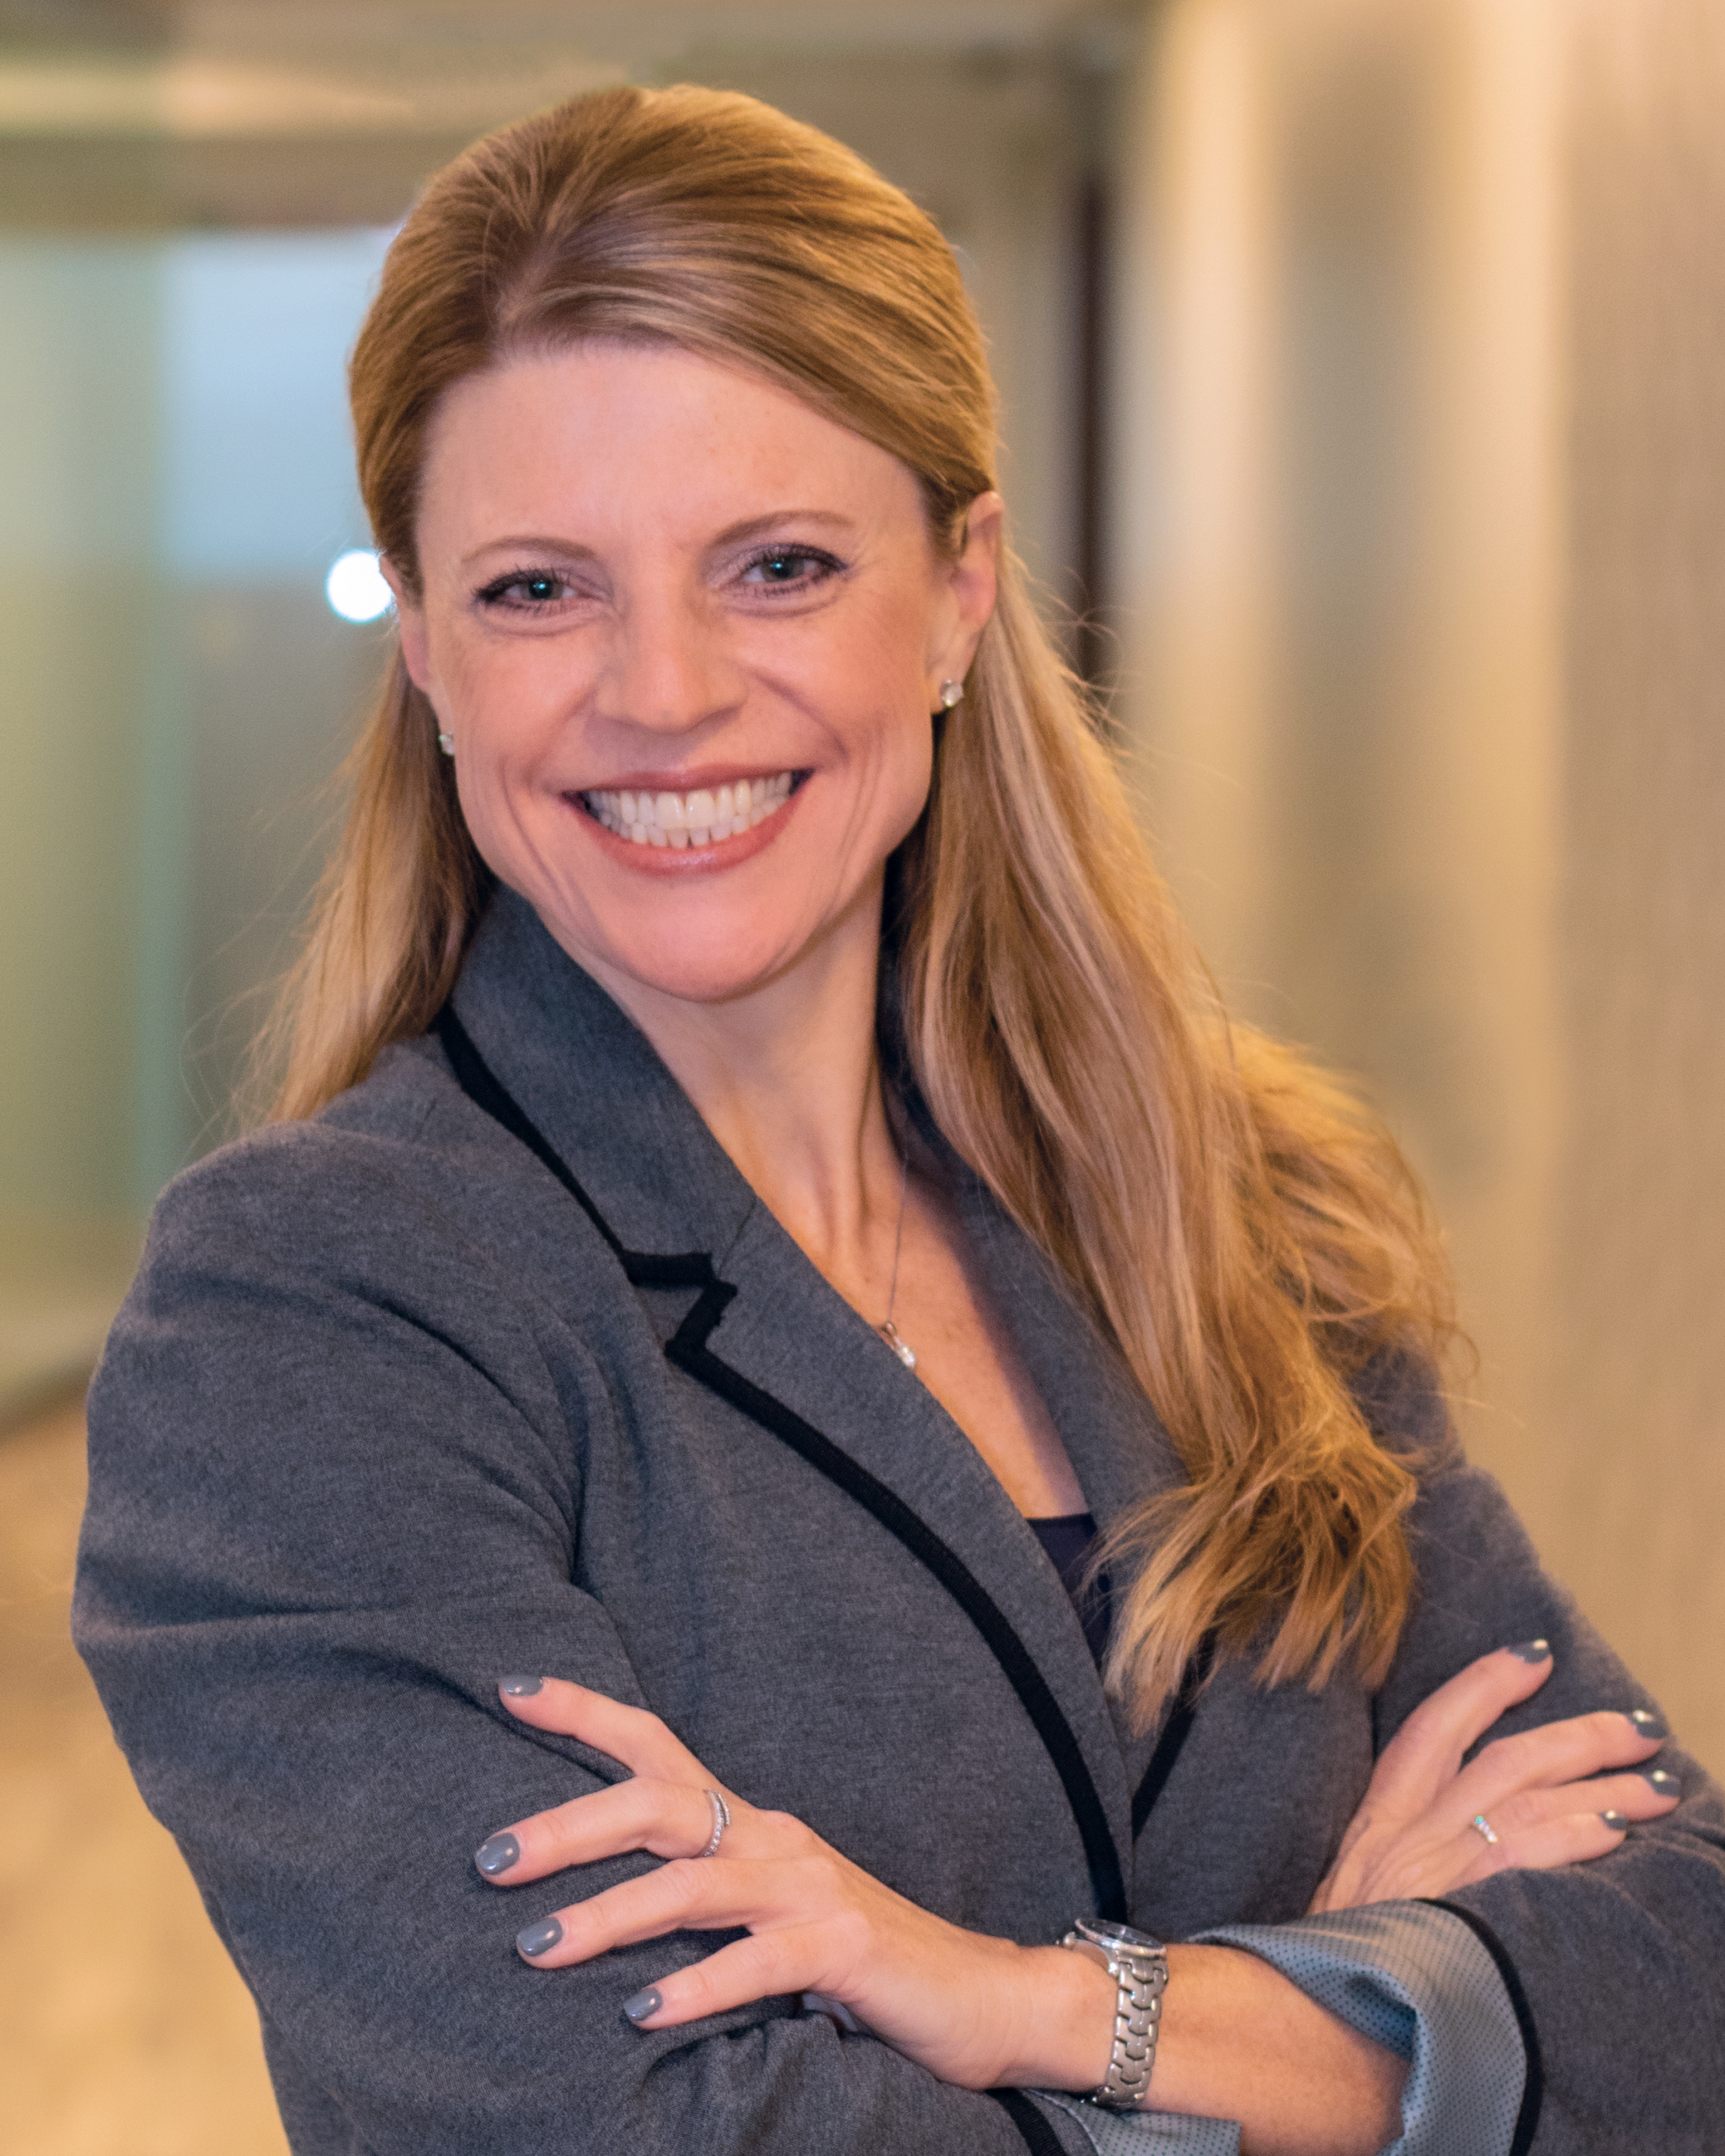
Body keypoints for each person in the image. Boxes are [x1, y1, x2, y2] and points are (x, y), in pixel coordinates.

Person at [74, 84, 1722, 2156]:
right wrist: (1376, 1999)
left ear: (953, 597)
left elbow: (1685, 1970)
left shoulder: (1235, 1214)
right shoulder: (317, 1325)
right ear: (423, 649)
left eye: (775, 564)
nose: (660, 691)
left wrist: (1025, 2004)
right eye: (535, 590)